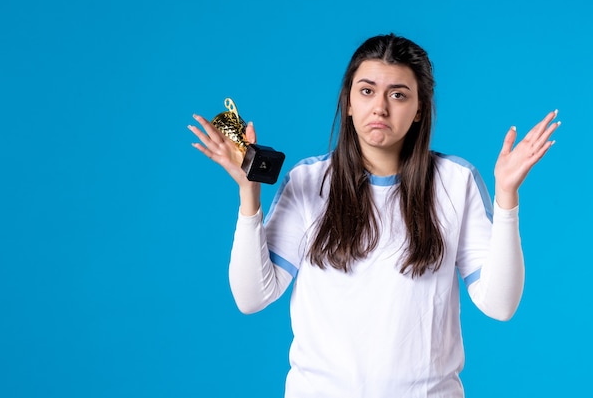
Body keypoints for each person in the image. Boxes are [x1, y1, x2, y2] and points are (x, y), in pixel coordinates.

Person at [187, 33, 560, 397]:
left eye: (398, 95)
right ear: (348, 102)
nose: (380, 107)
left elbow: (501, 304)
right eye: (366, 91)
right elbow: (252, 297)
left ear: (419, 110)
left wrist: (507, 197)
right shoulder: (309, 181)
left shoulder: (455, 181)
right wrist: (249, 193)